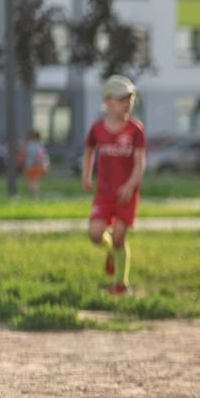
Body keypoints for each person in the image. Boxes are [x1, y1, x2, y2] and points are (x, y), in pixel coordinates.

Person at [83, 75, 147, 296]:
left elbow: (140, 163)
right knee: (95, 234)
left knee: (119, 237)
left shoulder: (135, 130)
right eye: (121, 99)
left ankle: (121, 284)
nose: (127, 104)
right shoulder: (97, 129)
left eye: (130, 99)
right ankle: (111, 251)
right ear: (107, 101)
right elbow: (89, 151)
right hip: (104, 193)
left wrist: (130, 185)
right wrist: (86, 176)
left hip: (126, 194)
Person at [20, 130, 50, 197]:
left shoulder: (30, 145)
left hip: (31, 165)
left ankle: (33, 194)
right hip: (38, 165)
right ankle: (34, 194)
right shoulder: (40, 145)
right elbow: (44, 156)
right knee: (35, 180)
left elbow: (25, 155)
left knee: (30, 180)